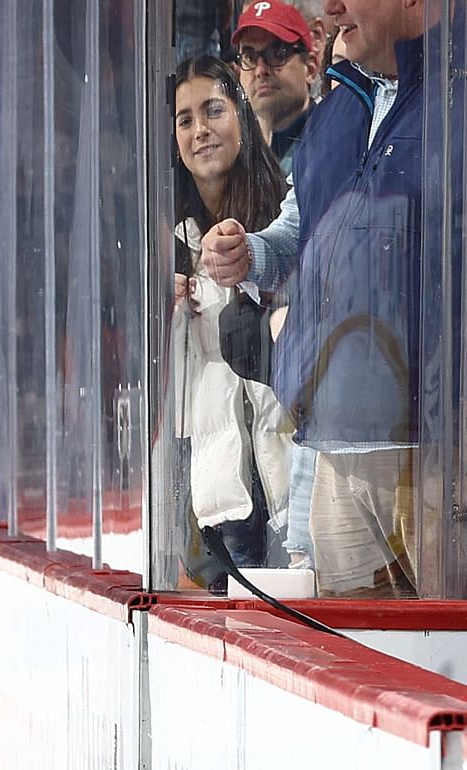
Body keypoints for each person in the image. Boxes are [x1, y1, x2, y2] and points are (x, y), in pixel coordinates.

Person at [199, 0, 440, 595]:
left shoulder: (454, 96)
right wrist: (251, 253)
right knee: (353, 667)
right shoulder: (342, 104)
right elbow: (301, 230)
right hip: (333, 444)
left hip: (437, 452)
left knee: (440, 665)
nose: (329, 7)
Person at [169, 56, 294, 591]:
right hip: (210, 483)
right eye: (185, 119)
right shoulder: (167, 236)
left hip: (286, 470)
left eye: (213, 110)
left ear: (240, 114)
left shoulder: (284, 216)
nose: (200, 130)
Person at [231, 1, 319, 170]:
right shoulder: (234, 151)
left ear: (310, 68)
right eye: (249, 57)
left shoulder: (331, 138)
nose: (260, 70)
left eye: (278, 54)